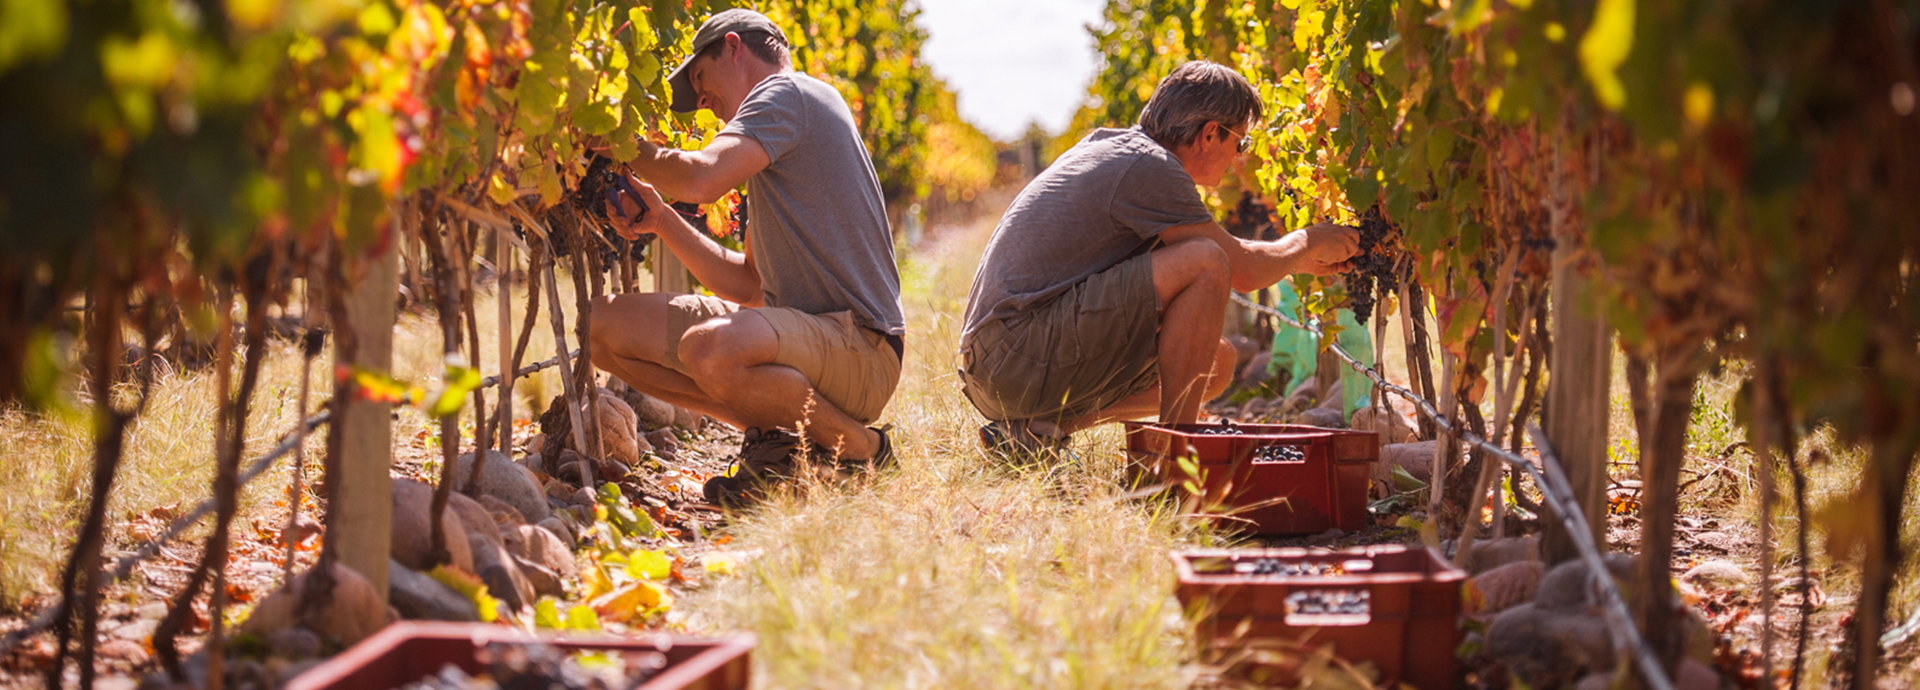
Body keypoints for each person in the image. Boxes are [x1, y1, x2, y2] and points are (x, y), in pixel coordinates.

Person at [957, 60, 1360, 456]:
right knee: (1206, 261)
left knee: (1216, 363)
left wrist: (1293, 260)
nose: (1240, 155)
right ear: (1209, 134)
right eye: (1241, 141)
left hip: (998, 365)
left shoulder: (1119, 150)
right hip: (1013, 360)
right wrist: (1309, 240)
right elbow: (1239, 268)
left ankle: (1039, 431)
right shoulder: (1150, 166)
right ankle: (1177, 456)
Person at [590, 9, 905, 505]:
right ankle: (780, 438)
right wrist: (662, 221)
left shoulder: (787, 93)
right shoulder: (777, 151)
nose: (704, 105)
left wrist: (619, 141)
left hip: (861, 349)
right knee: (602, 328)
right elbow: (749, 284)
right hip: (807, 337)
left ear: (735, 48)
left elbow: (700, 177)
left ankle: (862, 448)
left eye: (701, 80)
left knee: (709, 348)